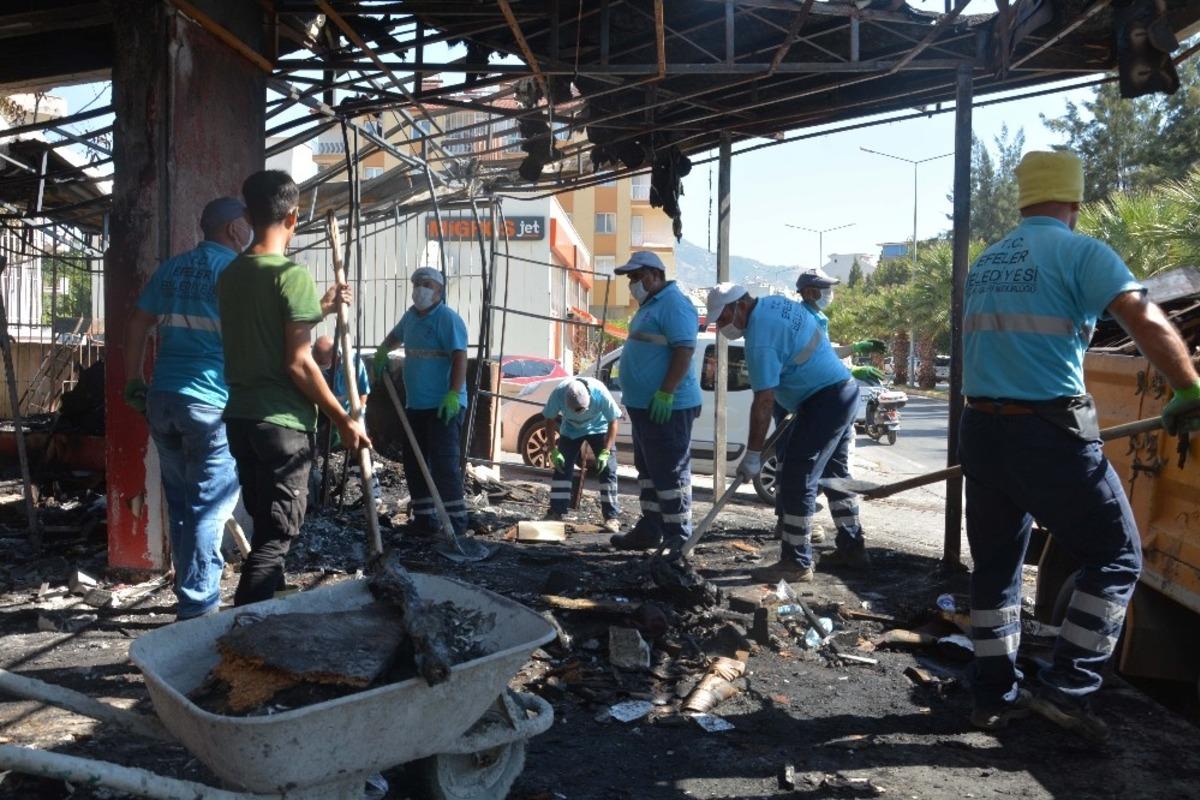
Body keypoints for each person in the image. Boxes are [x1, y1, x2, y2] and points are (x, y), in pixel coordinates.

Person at [958, 150, 1200, 739]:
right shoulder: (1081, 251)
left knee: (995, 568)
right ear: (1074, 199)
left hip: (980, 429)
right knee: (1116, 557)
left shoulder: (989, 260)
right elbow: (1144, 318)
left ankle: (992, 692)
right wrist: (1188, 388)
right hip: (1045, 431)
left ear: (1023, 199)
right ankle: (1068, 690)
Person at [217, 170, 370, 606]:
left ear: (248, 216)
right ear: (293, 217)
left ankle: (271, 608)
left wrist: (319, 308)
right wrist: (344, 419)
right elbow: (298, 362)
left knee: (265, 524)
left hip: (242, 419)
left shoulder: (230, 275)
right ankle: (247, 629)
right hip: (282, 425)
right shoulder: (290, 275)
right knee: (275, 539)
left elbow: (265, 329)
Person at [122, 197, 250, 620]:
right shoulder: (236, 273)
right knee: (208, 507)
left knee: (181, 505)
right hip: (210, 402)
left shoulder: (173, 268)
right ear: (234, 229)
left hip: (163, 398)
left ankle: (188, 591)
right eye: (247, 222)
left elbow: (137, 322)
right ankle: (198, 607)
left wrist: (133, 380)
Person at [706, 282, 871, 584]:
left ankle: (796, 562)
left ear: (740, 305)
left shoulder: (760, 338)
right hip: (840, 392)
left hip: (825, 400)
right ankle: (852, 547)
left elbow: (764, 401)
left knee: (797, 475)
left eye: (724, 318)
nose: (722, 327)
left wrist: (753, 455)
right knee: (835, 474)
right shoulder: (773, 304)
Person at [608, 251, 701, 557]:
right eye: (630, 278)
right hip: (644, 407)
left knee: (670, 473)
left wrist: (665, 392)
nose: (632, 284)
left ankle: (678, 539)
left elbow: (684, 350)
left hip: (667, 407)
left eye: (636, 277)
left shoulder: (674, 304)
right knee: (649, 471)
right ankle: (651, 528)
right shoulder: (651, 306)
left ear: (654, 275)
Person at [372, 267, 469, 538]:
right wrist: (382, 351)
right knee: (415, 463)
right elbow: (394, 337)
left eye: (427, 284)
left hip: (444, 405)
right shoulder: (411, 318)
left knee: (444, 464)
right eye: (416, 284)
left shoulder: (447, 319)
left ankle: (456, 524)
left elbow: (459, 357)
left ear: (439, 290)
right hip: (416, 405)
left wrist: (453, 393)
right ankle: (425, 519)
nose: (420, 289)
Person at [541, 376, 622, 532]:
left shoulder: (600, 392)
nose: (579, 414)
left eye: (581, 410)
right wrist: (553, 450)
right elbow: (549, 420)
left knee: (608, 469)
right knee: (562, 467)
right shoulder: (559, 393)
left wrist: (606, 451)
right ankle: (556, 512)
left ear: (589, 398)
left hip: (599, 428)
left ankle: (612, 517)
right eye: (575, 410)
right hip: (570, 431)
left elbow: (613, 421)